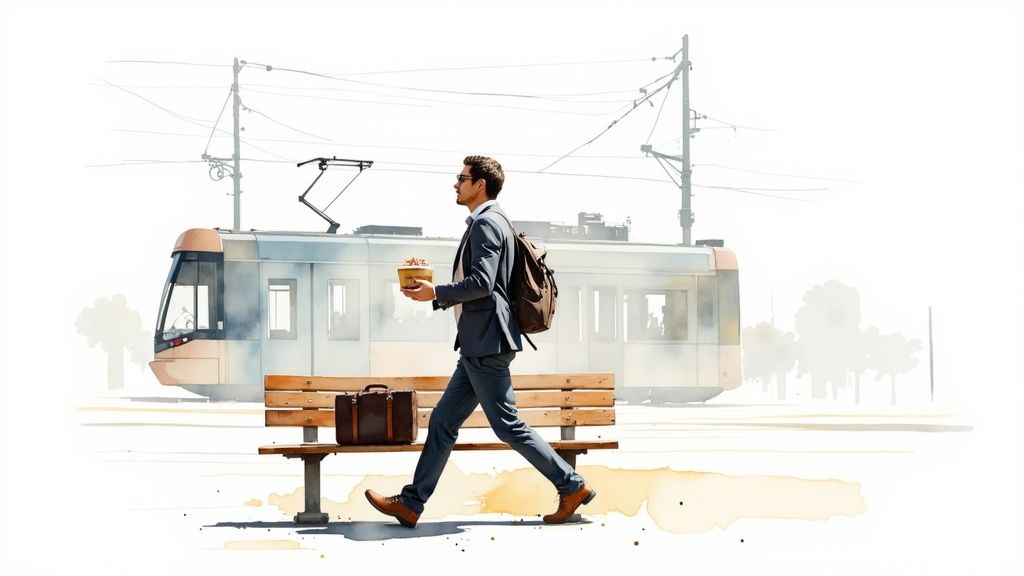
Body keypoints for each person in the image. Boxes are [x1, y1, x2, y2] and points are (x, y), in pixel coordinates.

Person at [364, 155, 596, 527]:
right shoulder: (494, 221)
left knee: (507, 426)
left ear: (480, 185)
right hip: (480, 342)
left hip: (487, 342)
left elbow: (483, 283)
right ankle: (411, 503)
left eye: (462, 178)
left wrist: (435, 292)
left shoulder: (487, 223)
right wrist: (434, 286)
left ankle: (571, 486)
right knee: (442, 421)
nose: (456, 184)